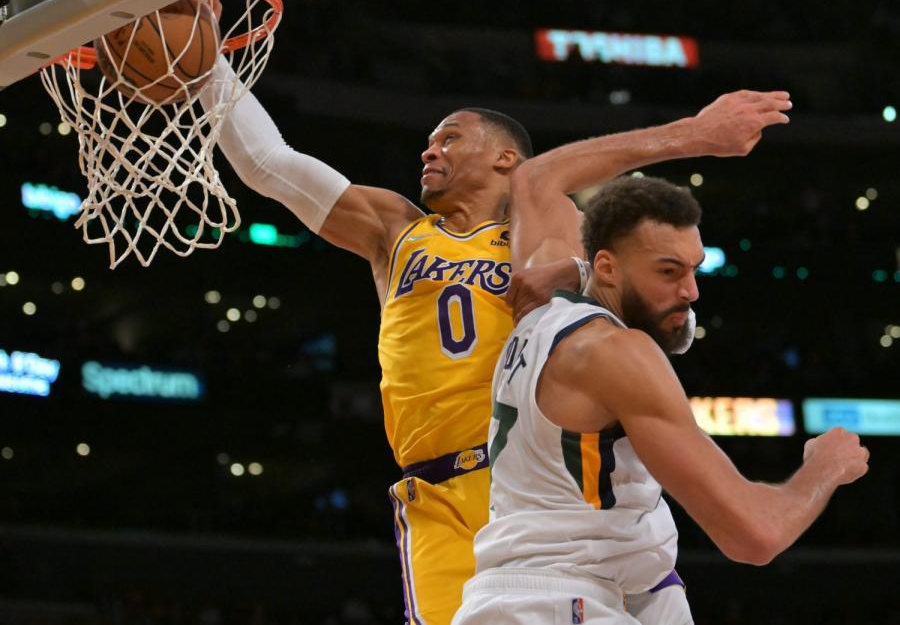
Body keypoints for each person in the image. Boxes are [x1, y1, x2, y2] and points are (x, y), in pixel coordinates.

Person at [203, 51, 792, 623]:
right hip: (434, 492)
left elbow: (663, 318)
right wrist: (205, 65)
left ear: (506, 158)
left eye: (449, 138)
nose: (429, 150)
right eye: (430, 142)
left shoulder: (554, 227)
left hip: (536, 480)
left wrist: (580, 271)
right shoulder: (395, 229)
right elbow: (268, 163)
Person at [453, 175, 870, 625]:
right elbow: (756, 535)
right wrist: (825, 467)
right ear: (608, 267)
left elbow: (540, 187)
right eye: (668, 272)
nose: (691, 291)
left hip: (529, 592)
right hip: (563, 601)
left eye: (694, 270)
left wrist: (579, 268)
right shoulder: (615, 351)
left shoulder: (540, 309)